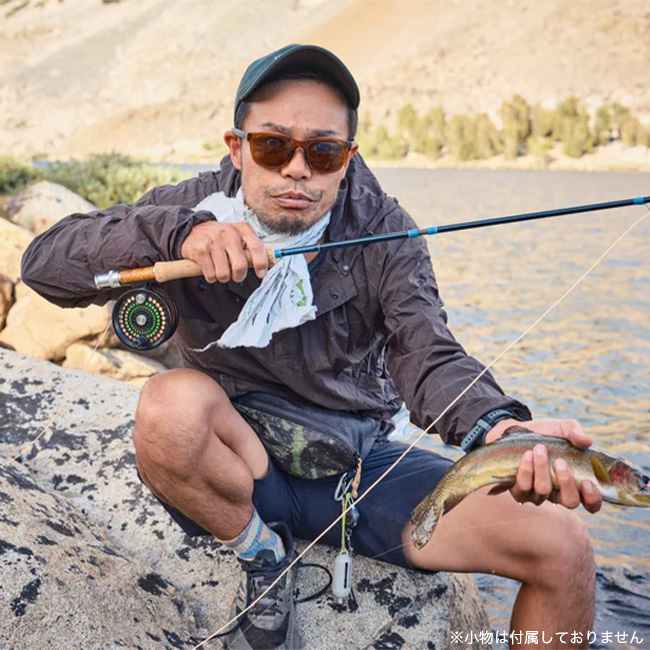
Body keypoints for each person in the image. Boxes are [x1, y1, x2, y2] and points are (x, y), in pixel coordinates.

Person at [22, 44, 602, 650]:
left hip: (359, 472)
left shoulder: (386, 230)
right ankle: (261, 553)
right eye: (273, 146)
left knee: (562, 546)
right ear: (236, 147)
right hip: (237, 466)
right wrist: (179, 235)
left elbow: (427, 351)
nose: (297, 170)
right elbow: (44, 265)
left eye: (323, 152)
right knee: (168, 406)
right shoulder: (190, 208)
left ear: (348, 157)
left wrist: (500, 429)